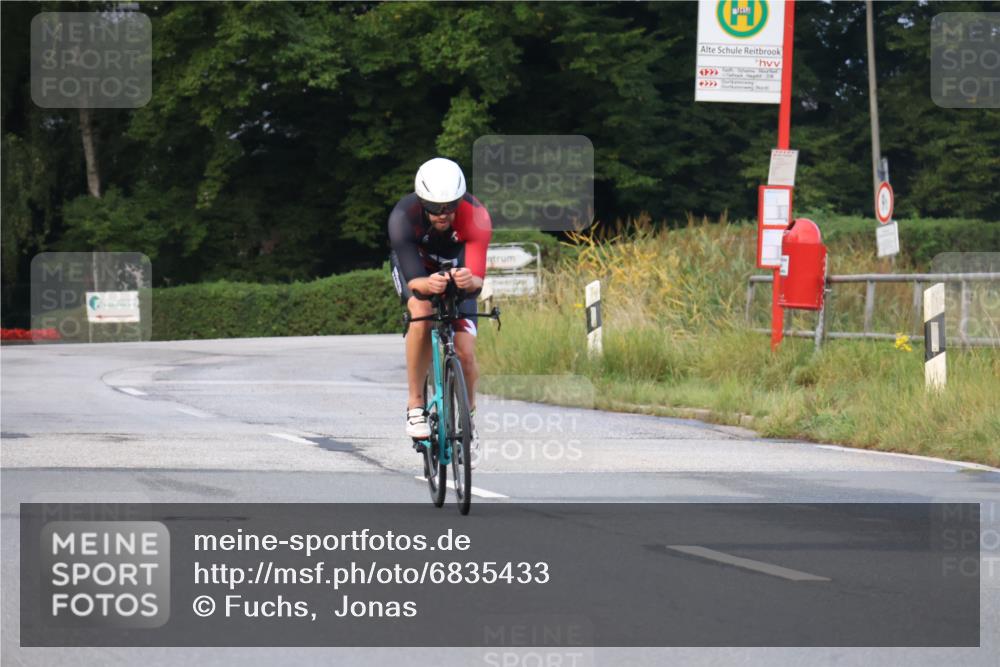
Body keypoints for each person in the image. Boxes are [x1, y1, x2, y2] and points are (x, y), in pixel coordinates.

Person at [389, 157, 492, 466]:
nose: (443, 214)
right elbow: (416, 282)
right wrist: (428, 283)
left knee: (464, 351)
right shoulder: (402, 218)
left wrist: (467, 279)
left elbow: (477, 283)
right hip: (418, 271)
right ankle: (415, 405)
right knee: (420, 309)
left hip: (456, 271)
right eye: (434, 208)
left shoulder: (477, 217)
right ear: (422, 202)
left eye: (450, 206)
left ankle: (468, 423)